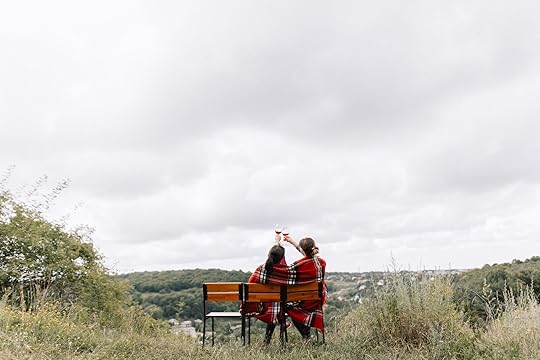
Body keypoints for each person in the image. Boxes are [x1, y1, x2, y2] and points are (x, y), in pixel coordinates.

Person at [244, 233, 326, 344]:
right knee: (282, 305)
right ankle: (307, 337)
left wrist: (277, 243)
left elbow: (271, 262)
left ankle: (266, 341)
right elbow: (309, 257)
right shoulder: (321, 263)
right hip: (312, 302)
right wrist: (292, 242)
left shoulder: (268, 270)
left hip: (276, 307)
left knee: (276, 305)